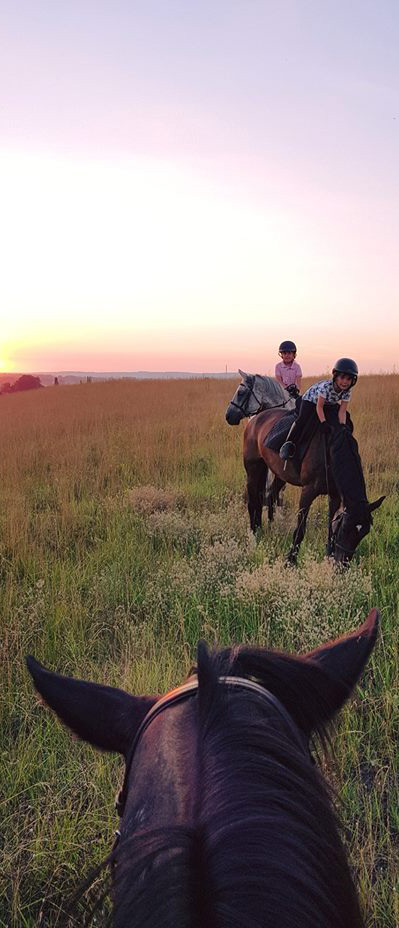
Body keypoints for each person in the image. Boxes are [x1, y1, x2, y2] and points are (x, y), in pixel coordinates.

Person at [279, 358, 358, 461]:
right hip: (311, 400)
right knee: (302, 419)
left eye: (349, 379)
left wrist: (342, 426)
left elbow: (342, 411)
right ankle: (288, 444)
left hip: (329, 403)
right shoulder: (326, 387)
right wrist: (323, 423)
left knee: (347, 419)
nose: (345, 382)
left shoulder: (347, 391)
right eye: (342, 377)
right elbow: (319, 407)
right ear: (335, 376)